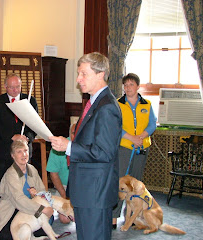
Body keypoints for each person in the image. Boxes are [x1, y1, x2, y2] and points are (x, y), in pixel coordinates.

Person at [49, 52, 122, 240]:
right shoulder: (94, 102)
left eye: (83, 74)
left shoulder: (106, 107)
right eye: (78, 73)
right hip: (88, 189)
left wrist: (69, 147)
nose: (78, 79)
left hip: (95, 192)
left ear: (100, 74)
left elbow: (105, 152)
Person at [112, 73, 157, 229]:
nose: (128, 88)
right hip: (124, 146)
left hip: (141, 148)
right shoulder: (117, 103)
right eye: (125, 85)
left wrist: (141, 137)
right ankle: (114, 217)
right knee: (120, 182)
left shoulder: (147, 104)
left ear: (138, 87)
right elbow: (115, 125)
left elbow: (152, 124)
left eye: (131, 85)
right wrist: (131, 138)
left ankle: (131, 216)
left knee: (136, 183)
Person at [0, 73, 38, 205]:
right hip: (5, 148)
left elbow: (34, 125)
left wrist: (26, 138)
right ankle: (3, 208)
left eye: (18, 87)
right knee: (3, 180)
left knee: (24, 180)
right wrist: (12, 136)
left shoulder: (30, 100)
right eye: (11, 87)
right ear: (5, 87)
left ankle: (24, 208)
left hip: (24, 149)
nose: (15, 90)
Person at [0, 140, 53, 239]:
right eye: (19, 152)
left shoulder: (32, 169)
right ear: (12, 155)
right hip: (13, 211)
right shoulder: (11, 174)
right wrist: (43, 209)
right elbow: (19, 200)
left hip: (30, 210)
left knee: (49, 219)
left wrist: (36, 195)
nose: (24, 154)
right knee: (12, 235)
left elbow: (42, 192)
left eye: (26, 150)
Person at [46, 123, 76, 224]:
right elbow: (53, 173)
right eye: (73, 133)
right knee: (65, 219)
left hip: (82, 186)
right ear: (69, 134)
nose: (75, 135)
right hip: (64, 186)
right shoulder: (58, 146)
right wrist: (64, 196)